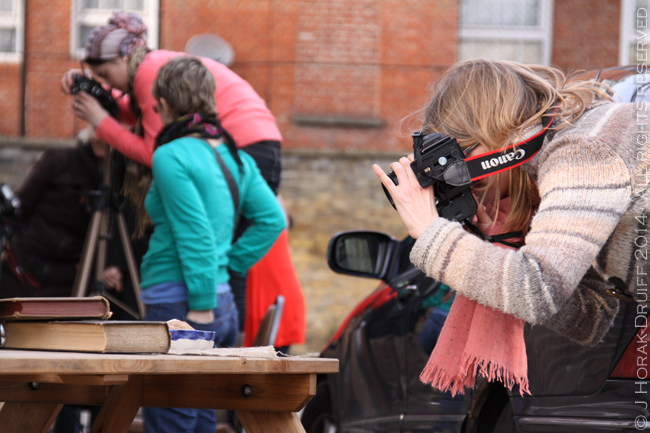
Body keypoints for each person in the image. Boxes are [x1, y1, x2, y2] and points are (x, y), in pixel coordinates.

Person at [374, 58, 646, 348]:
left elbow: (538, 292)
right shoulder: (571, 147)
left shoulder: (584, 148)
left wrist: (431, 234)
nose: (462, 180)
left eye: (457, 153)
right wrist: (496, 247)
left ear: (494, 129)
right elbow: (591, 319)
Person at [61, 11, 290, 333]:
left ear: (163, 101)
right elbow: (135, 113)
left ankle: (212, 303)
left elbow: (151, 152)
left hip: (245, 140)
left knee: (205, 237)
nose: (105, 83)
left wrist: (100, 121)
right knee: (226, 246)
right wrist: (100, 98)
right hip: (254, 143)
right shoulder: (156, 67)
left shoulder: (151, 81)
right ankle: (228, 326)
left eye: (104, 74)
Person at [138, 56, 285, 433]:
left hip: (182, 305)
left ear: (165, 104)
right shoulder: (234, 156)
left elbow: (195, 234)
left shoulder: (170, 155)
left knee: (170, 419)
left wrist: (200, 307)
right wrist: (230, 264)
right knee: (202, 418)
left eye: (156, 105)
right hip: (222, 306)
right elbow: (272, 221)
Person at [0, 127, 106, 299]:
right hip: (27, 264)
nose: (102, 138)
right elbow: (22, 204)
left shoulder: (113, 176)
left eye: (109, 131)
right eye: (97, 129)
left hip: (71, 276)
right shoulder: (60, 160)